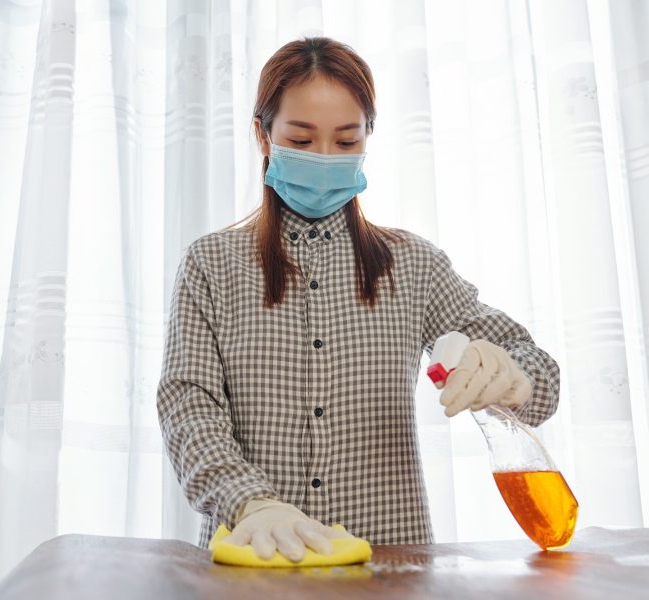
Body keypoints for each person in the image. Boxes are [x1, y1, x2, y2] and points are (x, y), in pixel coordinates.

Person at [156, 37, 560, 562]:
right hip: (252, 566)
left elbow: (540, 379)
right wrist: (251, 502)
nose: (324, 159)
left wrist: (514, 376)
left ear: (369, 136)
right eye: (300, 140)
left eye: (346, 142)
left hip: (390, 569)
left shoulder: (412, 265)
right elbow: (189, 405)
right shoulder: (210, 265)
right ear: (262, 135)